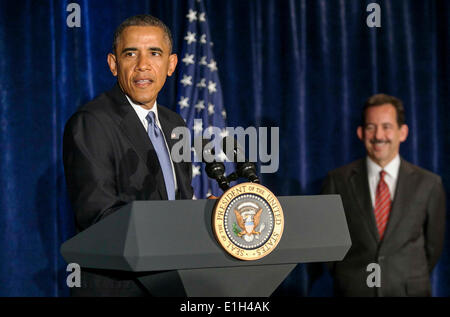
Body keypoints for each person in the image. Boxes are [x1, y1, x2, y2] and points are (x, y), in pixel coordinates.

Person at [63, 15, 193, 296]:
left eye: (155, 53)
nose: (143, 65)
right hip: (120, 287)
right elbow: (100, 216)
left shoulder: (175, 124)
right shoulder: (92, 122)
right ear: (113, 64)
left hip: (172, 284)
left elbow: (179, 200)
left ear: (171, 65)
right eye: (130, 53)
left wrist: (204, 217)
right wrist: (179, 226)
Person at [322, 93, 446, 297]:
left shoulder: (429, 184)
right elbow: (328, 243)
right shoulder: (338, 180)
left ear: (403, 132)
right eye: (371, 127)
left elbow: (433, 248)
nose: (378, 135)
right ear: (361, 133)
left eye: (387, 126)